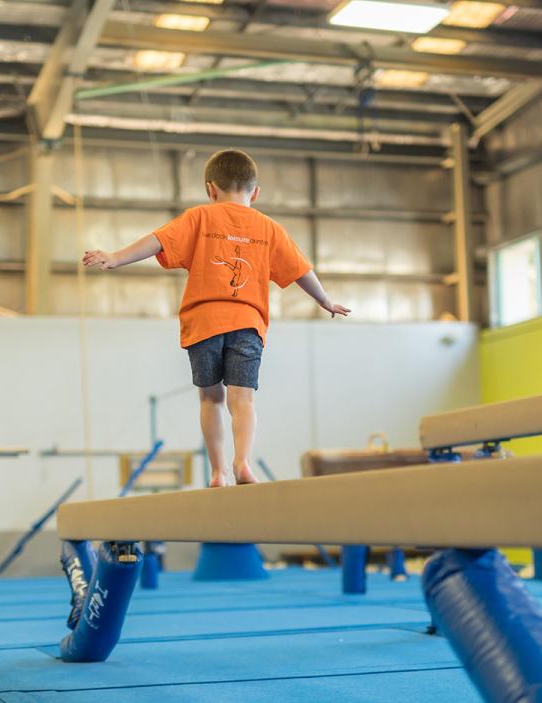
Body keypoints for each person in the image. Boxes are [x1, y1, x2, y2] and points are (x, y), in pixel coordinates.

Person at [82, 149, 351, 488]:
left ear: (211, 190)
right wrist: (325, 300)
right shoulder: (268, 228)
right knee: (243, 399)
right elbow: (302, 270)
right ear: (255, 192)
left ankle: (218, 471)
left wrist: (116, 258)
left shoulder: (200, 217)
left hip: (204, 323)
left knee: (211, 398)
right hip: (247, 323)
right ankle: (243, 463)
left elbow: (157, 241)